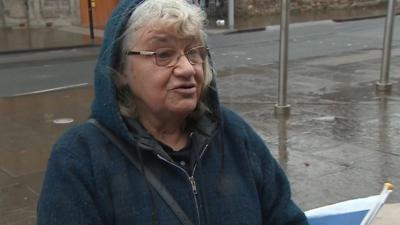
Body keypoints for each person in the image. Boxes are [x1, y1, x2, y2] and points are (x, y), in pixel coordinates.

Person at [37, 0, 309, 224]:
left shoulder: (234, 135)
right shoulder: (79, 158)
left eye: (194, 53)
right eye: (164, 54)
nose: (188, 69)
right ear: (120, 71)